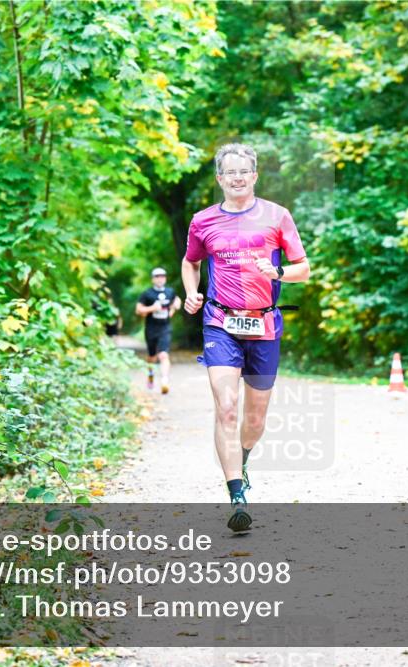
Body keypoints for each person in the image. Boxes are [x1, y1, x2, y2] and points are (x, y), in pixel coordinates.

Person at [181, 143, 310, 532]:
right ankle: (236, 493)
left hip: (265, 324)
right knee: (227, 407)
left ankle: (244, 457)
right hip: (220, 322)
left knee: (253, 420)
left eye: (244, 172)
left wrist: (278, 274)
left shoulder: (277, 216)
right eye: (229, 172)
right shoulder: (203, 221)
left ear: (254, 176)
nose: (237, 178)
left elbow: (303, 268)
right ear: (220, 178)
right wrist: (191, 291)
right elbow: (191, 261)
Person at [136, 267, 180, 394]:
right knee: (152, 357)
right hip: (151, 328)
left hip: (165, 327)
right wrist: (152, 308)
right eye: (157, 276)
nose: (160, 278)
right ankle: (150, 374)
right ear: (153, 279)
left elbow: (177, 300)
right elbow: (138, 310)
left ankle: (164, 381)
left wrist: (174, 307)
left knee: (163, 355)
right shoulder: (147, 294)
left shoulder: (170, 291)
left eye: (162, 276)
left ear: (165, 278)